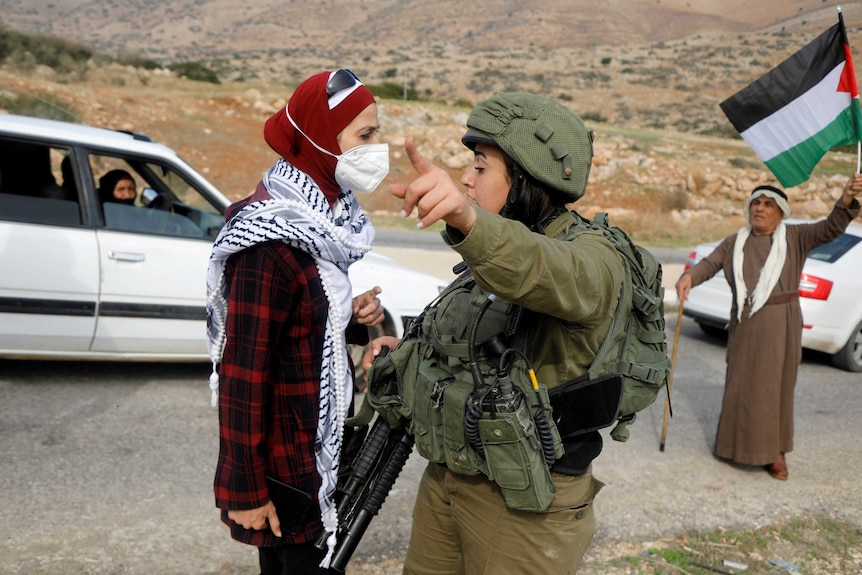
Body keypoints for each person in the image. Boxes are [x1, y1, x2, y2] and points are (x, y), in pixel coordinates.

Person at [363, 93, 623, 575]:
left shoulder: (593, 258)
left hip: (528, 501)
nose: (466, 178)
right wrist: (411, 357)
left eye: (480, 167)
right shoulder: (495, 245)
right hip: (450, 475)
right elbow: (475, 343)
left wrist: (467, 220)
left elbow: (542, 268)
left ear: (526, 177)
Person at [205, 69, 390, 574]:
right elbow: (243, 373)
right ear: (321, 140)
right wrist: (243, 488)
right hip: (288, 469)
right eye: (365, 136)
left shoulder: (328, 217)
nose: (378, 147)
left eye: (377, 132)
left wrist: (350, 318)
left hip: (314, 452)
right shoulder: (272, 240)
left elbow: (301, 326)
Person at [675, 178, 861, 480]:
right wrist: (689, 278)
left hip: (780, 324)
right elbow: (709, 264)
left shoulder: (797, 237)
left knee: (776, 389)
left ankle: (777, 453)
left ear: (781, 213)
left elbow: (832, 227)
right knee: (740, 386)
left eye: (768, 204)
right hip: (745, 324)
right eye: (756, 203)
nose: (759, 209)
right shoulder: (735, 242)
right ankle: (733, 447)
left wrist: (847, 198)